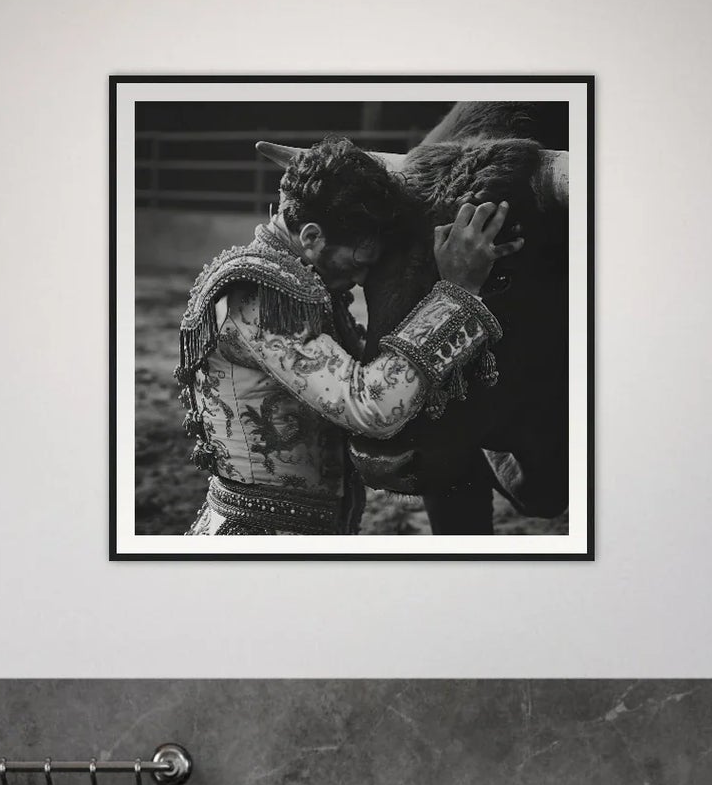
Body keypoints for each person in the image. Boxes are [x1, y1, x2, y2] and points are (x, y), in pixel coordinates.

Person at [176, 136, 520, 536]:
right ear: (311, 237)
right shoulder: (261, 290)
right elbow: (370, 407)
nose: (359, 279)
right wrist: (457, 294)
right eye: (359, 260)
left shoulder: (297, 279)